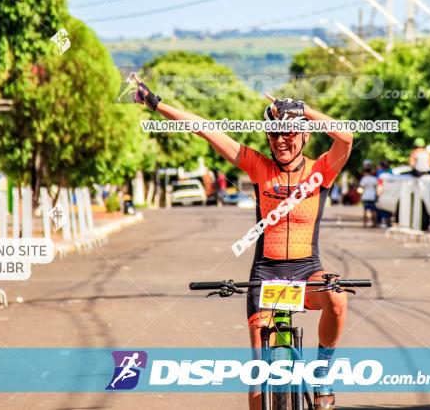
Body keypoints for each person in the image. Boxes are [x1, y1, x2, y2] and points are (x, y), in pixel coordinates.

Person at [133, 78, 352, 410]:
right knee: (258, 378)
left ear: (305, 135)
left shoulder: (321, 170)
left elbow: (345, 136)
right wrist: (156, 104)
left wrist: (301, 109)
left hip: (307, 273)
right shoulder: (257, 166)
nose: (281, 141)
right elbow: (205, 129)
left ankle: (321, 372)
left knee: (336, 296)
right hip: (265, 276)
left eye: (289, 134)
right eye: (275, 134)